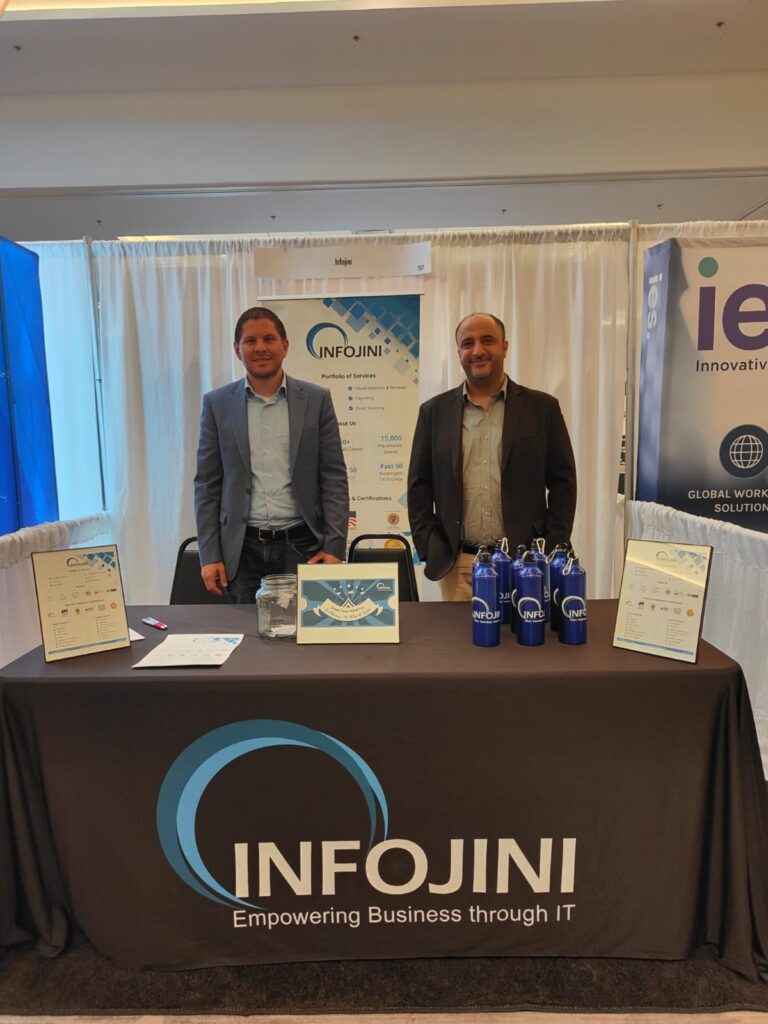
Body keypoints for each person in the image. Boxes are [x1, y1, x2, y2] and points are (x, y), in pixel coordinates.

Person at [407, 312, 576, 600]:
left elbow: (564, 483)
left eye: (487, 340)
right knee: (458, 633)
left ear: (505, 347)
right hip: (460, 567)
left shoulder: (542, 409)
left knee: (529, 632)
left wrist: (548, 547)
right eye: (467, 343)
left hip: (525, 565)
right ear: (458, 352)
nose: (477, 351)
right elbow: (419, 487)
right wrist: (430, 546)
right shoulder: (433, 413)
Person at [195, 306, 349, 602]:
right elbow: (207, 484)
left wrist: (334, 547)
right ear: (237, 350)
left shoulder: (316, 400)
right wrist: (209, 554)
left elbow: (333, 477)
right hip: (240, 552)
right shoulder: (216, 404)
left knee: (303, 631)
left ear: (285, 346)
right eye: (250, 341)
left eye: (269, 339)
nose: (260, 348)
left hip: (303, 547)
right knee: (244, 632)